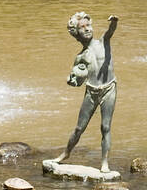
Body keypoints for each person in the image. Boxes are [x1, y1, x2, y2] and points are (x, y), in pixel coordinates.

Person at [49, 12, 118, 174]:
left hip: (109, 88)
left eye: (89, 25)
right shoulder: (80, 57)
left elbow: (111, 31)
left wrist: (114, 22)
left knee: (105, 126)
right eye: (82, 27)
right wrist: (72, 80)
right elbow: (76, 80)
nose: (87, 29)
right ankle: (66, 153)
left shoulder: (103, 42)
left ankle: (105, 162)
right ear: (76, 34)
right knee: (79, 128)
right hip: (91, 91)